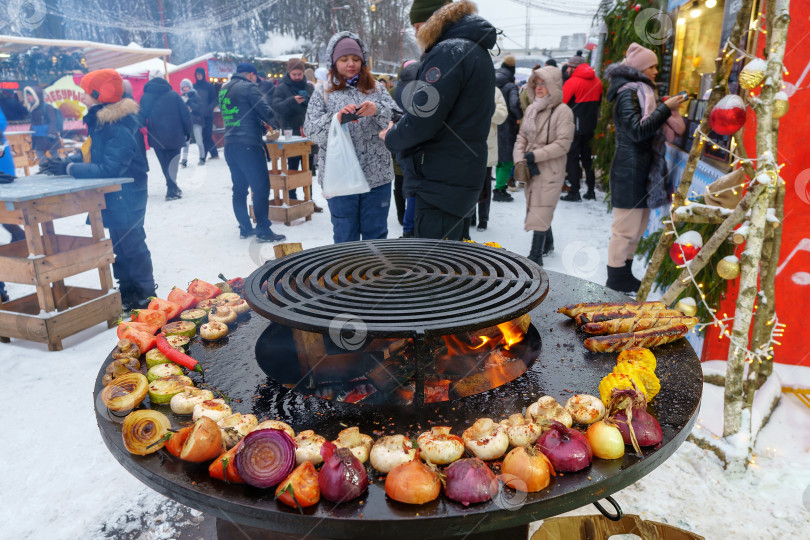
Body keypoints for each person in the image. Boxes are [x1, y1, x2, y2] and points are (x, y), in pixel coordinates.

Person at [382, 0, 497, 240]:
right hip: (459, 176)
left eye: (417, 25)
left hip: (440, 183)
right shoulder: (475, 49)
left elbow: (422, 121)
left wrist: (391, 136)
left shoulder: (448, 51)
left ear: (434, 19)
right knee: (453, 264)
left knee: (436, 271)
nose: (416, 33)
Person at [45, 69, 156, 311]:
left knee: (132, 244)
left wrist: (71, 167)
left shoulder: (116, 124)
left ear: (100, 95)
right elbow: (96, 154)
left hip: (127, 192)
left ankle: (147, 296)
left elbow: (111, 168)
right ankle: (128, 293)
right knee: (118, 245)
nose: (82, 96)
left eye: (86, 92)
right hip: (115, 193)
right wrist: (65, 163)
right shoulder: (102, 121)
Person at [604, 43, 686, 293]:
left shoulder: (642, 91)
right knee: (624, 229)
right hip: (629, 170)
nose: (655, 71)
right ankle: (615, 277)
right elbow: (638, 131)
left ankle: (624, 273)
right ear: (640, 68)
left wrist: (664, 109)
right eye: (651, 66)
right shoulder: (628, 93)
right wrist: (665, 109)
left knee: (637, 229)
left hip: (641, 169)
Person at [304, 32, 396, 244]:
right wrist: (336, 118)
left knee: (377, 237)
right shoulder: (323, 93)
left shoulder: (377, 89)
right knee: (346, 239)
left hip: (377, 178)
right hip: (340, 179)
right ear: (334, 62)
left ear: (362, 61)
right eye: (344, 59)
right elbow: (310, 130)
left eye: (355, 59)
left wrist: (378, 110)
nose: (350, 64)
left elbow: (398, 118)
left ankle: (376, 278)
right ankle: (348, 278)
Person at [513, 66, 574, 266]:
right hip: (530, 166)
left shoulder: (563, 111)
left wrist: (535, 155)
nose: (539, 87)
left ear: (553, 85)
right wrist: (519, 157)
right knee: (537, 205)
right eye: (536, 83)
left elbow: (563, 144)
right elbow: (522, 136)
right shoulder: (532, 108)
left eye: (543, 83)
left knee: (541, 206)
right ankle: (548, 244)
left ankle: (535, 255)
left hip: (551, 167)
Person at [220, 63, 286, 244]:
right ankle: (263, 229)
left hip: (230, 145)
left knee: (239, 189)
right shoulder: (248, 87)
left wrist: (258, 124)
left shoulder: (224, 89)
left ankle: (245, 228)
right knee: (260, 188)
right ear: (251, 75)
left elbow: (241, 115)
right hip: (249, 146)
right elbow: (263, 109)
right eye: (255, 77)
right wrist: (277, 124)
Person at [139, 74, 191, 200]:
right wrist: (188, 131)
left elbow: (140, 118)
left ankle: (172, 186)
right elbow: (185, 115)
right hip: (175, 135)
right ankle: (171, 190)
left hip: (156, 136)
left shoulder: (145, 97)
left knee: (164, 163)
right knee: (173, 163)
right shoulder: (174, 95)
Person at [561, 53, 603, 202]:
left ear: (574, 68)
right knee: (587, 158)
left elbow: (562, 104)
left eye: (568, 67)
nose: (566, 70)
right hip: (591, 126)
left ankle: (574, 191)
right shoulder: (597, 81)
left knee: (571, 158)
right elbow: (599, 105)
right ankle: (591, 190)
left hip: (574, 126)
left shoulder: (572, 82)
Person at [272, 58, 315, 201]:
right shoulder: (281, 88)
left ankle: (309, 200)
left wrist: (307, 100)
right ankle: (292, 199)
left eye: (299, 74)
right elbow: (276, 107)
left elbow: (316, 106)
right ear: (289, 73)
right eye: (294, 74)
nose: (297, 77)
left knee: (308, 170)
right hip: (291, 134)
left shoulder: (309, 87)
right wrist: (292, 101)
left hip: (307, 134)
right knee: (292, 169)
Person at [474, 86, 507, 232]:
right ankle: (469, 217)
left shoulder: (494, 91)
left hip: (487, 144)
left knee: (485, 184)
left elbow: (502, 115)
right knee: (468, 184)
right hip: (468, 144)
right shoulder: (468, 87)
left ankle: (483, 218)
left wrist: (486, 110)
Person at [493, 55, 522, 202]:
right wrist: (519, 116)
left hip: (493, 123)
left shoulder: (491, 81)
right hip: (507, 125)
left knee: (498, 159)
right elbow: (514, 103)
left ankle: (499, 186)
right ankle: (499, 189)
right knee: (507, 159)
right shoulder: (510, 86)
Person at [23, 85, 61, 164]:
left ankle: (58, 167)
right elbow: (34, 122)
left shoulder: (47, 107)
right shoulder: (33, 108)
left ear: (36, 96)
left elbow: (53, 121)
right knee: (39, 153)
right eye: (27, 96)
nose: (28, 98)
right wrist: (31, 131)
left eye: (29, 95)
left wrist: (52, 133)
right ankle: (44, 169)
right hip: (39, 136)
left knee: (53, 153)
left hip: (49, 135)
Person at [193, 67, 220, 160]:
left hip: (208, 115)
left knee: (207, 135)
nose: (199, 76)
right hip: (197, 116)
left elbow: (215, 99)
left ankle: (203, 156)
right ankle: (214, 154)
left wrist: (209, 108)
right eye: (197, 74)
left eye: (200, 74)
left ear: (203, 75)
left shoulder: (209, 86)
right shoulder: (194, 87)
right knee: (203, 136)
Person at [179, 78, 205, 167]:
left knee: (199, 140)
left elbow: (199, 108)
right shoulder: (181, 97)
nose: (185, 88)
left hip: (196, 120)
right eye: (184, 87)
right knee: (186, 142)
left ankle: (202, 157)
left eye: (187, 86)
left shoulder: (195, 95)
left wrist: (189, 102)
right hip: (186, 122)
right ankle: (184, 159)